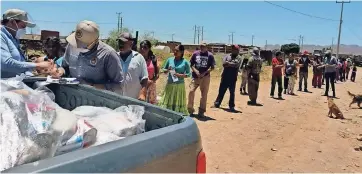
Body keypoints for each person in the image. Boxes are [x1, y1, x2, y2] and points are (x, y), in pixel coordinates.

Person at [55, 20, 123, 91]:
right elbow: (64, 66)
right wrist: (60, 71)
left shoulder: (108, 54)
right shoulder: (71, 45)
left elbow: (118, 86)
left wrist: (92, 86)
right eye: (76, 43)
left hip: (94, 99)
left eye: (82, 45)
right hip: (71, 95)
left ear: (94, 42)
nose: (76, 47)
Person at [1, 9, 52, 78]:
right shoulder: (2, 37)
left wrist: (35, 61)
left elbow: (18, 61)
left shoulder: (14, 39)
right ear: (12, 22)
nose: (24, 30)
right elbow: (5, 64)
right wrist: (37, 65)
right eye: (23, 27)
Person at [158, 45, 191, 115]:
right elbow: (163, 70)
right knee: (167, 100)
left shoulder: (185, 62)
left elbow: (188, 74)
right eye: (174, 50)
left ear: (182, 52)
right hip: (170, 84)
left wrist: (179, 75)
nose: (175, 52)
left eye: (177, 50)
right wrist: (167, 70)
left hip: (179, 86)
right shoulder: (169, 60)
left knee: (177, 101)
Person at [116, 32, 148, 100]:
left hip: (133, 99)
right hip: (116, 98)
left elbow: (144, 78)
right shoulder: (114, 57)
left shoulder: (139, 58)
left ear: (131, 43)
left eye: (123, 42)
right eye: (119, 42)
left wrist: (142, 94)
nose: (120, 44)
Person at [188, 42, 215, 117]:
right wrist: (196, 71)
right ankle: (190, 109)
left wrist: (205, 73)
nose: (202, 48)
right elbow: (191, 64)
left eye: (204, 46)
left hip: (205, 78)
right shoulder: (195, 54)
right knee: (191, 91)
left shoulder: (210, 55)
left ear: (207, 47)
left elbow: (212, 67)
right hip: (195, 76)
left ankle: (201, 111)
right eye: (201, 46)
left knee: (204, 94)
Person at [214, 45, 241, 111]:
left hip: (233, 77)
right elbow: (224, 63)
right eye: (233, 49)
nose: (234, 50)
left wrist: (228, 63)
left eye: (235, 49)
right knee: (221, 91)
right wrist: (230, 63)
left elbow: (236, 65)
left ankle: (231, 106)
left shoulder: (239, 57)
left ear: (237, 50)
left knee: (232, 92)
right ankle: (217, 103)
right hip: (225, 76)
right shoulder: (227, 56)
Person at [139, 40, 159, 104]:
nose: (142, 49)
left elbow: (157, 74)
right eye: (141, 47)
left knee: (150, 106)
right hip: (139, 85)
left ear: (149, 49)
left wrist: (152, 81)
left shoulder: (153, 59)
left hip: (151, 86)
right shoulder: (136, 58)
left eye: (145, 47)